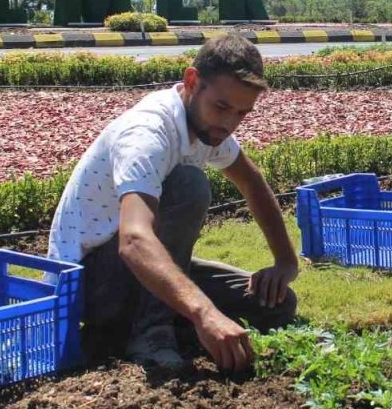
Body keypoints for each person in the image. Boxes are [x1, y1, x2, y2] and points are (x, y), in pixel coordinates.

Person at [47, 35, 299, 372]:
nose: (229, 124)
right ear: (192, 81)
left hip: (132, 278)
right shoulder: (147, 134)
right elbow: (133, 241)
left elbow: (251, 181)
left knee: (273, 303)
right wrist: (204, 312)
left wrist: (285, 262)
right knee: (188, 185)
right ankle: (150, 334)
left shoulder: (207, 128)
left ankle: (157, 325)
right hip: (88, 286)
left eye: (242, 113)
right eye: (222, 107)